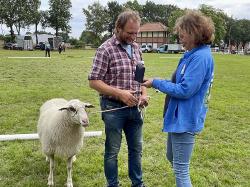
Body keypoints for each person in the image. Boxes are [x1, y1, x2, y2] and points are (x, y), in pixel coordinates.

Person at [142, 10, 215, 187]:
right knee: (172, 157)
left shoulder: (200, 57)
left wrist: (157, 83)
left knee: (181, 170)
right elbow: (181, 83)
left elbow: (185, 90)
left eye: (182, 34)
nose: (179, 38)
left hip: (186, 119)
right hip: (178, 117)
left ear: (194, 33)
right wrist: (158, 81)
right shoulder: (192, 54)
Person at [88, 9, 148, 187]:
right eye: (130, 33)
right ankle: (112, 185)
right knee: (112, 151)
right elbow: (93, 81)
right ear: (118, 28)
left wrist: (143, 93)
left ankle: (138, 184)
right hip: (113, 108)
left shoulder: (137, 48)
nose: (134, 37)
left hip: (135, 108)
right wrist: (120, 93)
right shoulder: (105, 49)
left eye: (136, 33)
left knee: (136, 150)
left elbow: (141, 77)